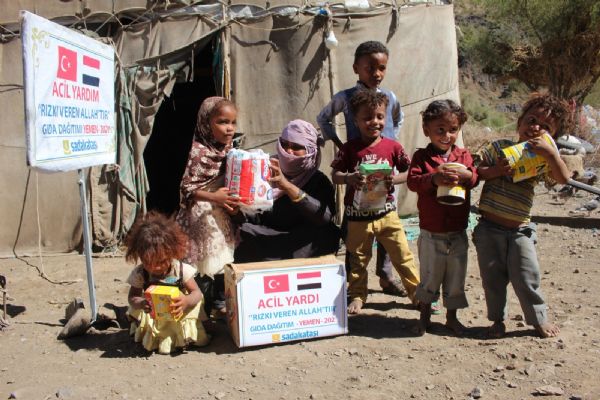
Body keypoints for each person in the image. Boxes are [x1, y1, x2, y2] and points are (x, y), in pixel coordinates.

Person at [473, 93, 571, 338]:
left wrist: (551, 154)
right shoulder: (499, 148)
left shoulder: (543, 160)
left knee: (527, 276)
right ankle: (497, 321)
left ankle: (538, 319)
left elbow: (563, 179)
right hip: (488, 228)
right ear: (520, 122)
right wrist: (496, 170)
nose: (536, 127)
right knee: (492, 280)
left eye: (545, 127)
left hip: (520, 231)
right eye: (532, 120)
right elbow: (476, 171)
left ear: (551, 137)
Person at [317, 40, 406, 297]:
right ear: (356, 68)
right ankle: (353, 285)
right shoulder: (345, 98)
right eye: (370, 68)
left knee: (388, 223)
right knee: (355, 226)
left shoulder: (389, 97)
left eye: (382, 68)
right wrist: (339, 144)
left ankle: (386, 276)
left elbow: (398, 119)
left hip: (386, 174)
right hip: (358, 175)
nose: (376, 73)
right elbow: (323, 118)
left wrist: (388, 144)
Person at [330, 90, 420, 314]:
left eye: (380, 117)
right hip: (358, 216)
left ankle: (417, 294)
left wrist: (394, 179)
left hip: (386, 213)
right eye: (367, 118)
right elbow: (335, 175)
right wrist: (349, 178)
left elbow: (410, 171)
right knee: (358, 259)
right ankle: (358, 295)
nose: (375, 122)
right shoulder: (350, 149)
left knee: (402, 255)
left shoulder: (393, 147)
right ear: (356, 121)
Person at [407, 100, 477, 336]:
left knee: (456, 277)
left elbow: (474, 177)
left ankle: (452, 318)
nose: (447, 135)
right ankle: (424, 317)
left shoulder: (463, 156)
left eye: (453, 130)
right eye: (440, 130)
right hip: (432, 231)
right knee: (429, 276)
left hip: (457, 230)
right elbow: (413, 182)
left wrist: (467, 175)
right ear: (426, 130)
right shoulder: (422, 157)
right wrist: (433, 179)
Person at [233, 120, 341, 262]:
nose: (288, 151)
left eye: (296, 147)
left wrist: (287, 186)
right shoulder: (265, 171)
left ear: (311, 151)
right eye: (284, 144)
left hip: (302, 241)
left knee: (327, 234)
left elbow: (324, 217)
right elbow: (255, 216)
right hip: (269, 236)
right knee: (242, 231)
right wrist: (236, 211)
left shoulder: (319, 181)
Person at [176, 97, 240, 318]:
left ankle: (219, 302)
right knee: (204, 260)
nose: (229, 128)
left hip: (221, 212)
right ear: (206, 123)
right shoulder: (200, 152)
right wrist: (214, 197)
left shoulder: (231, 150)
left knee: (223, 256)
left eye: (233, 122)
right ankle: (201, 307)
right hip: (201, 214)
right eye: (222, 122)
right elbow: (186, 188)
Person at [125, 212, 210, 354]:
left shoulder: (180, 270)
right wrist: (141, 303)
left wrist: (186, 301)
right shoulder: (140, 273)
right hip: (155, 316)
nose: (156, 267)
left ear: (172, 253)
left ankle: (186, 336)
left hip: (178, 312)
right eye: (148, 263)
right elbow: (132, 297)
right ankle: (156, 338)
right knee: (138, 312)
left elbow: (197, 293)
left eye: (162, 261)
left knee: (195, 308)